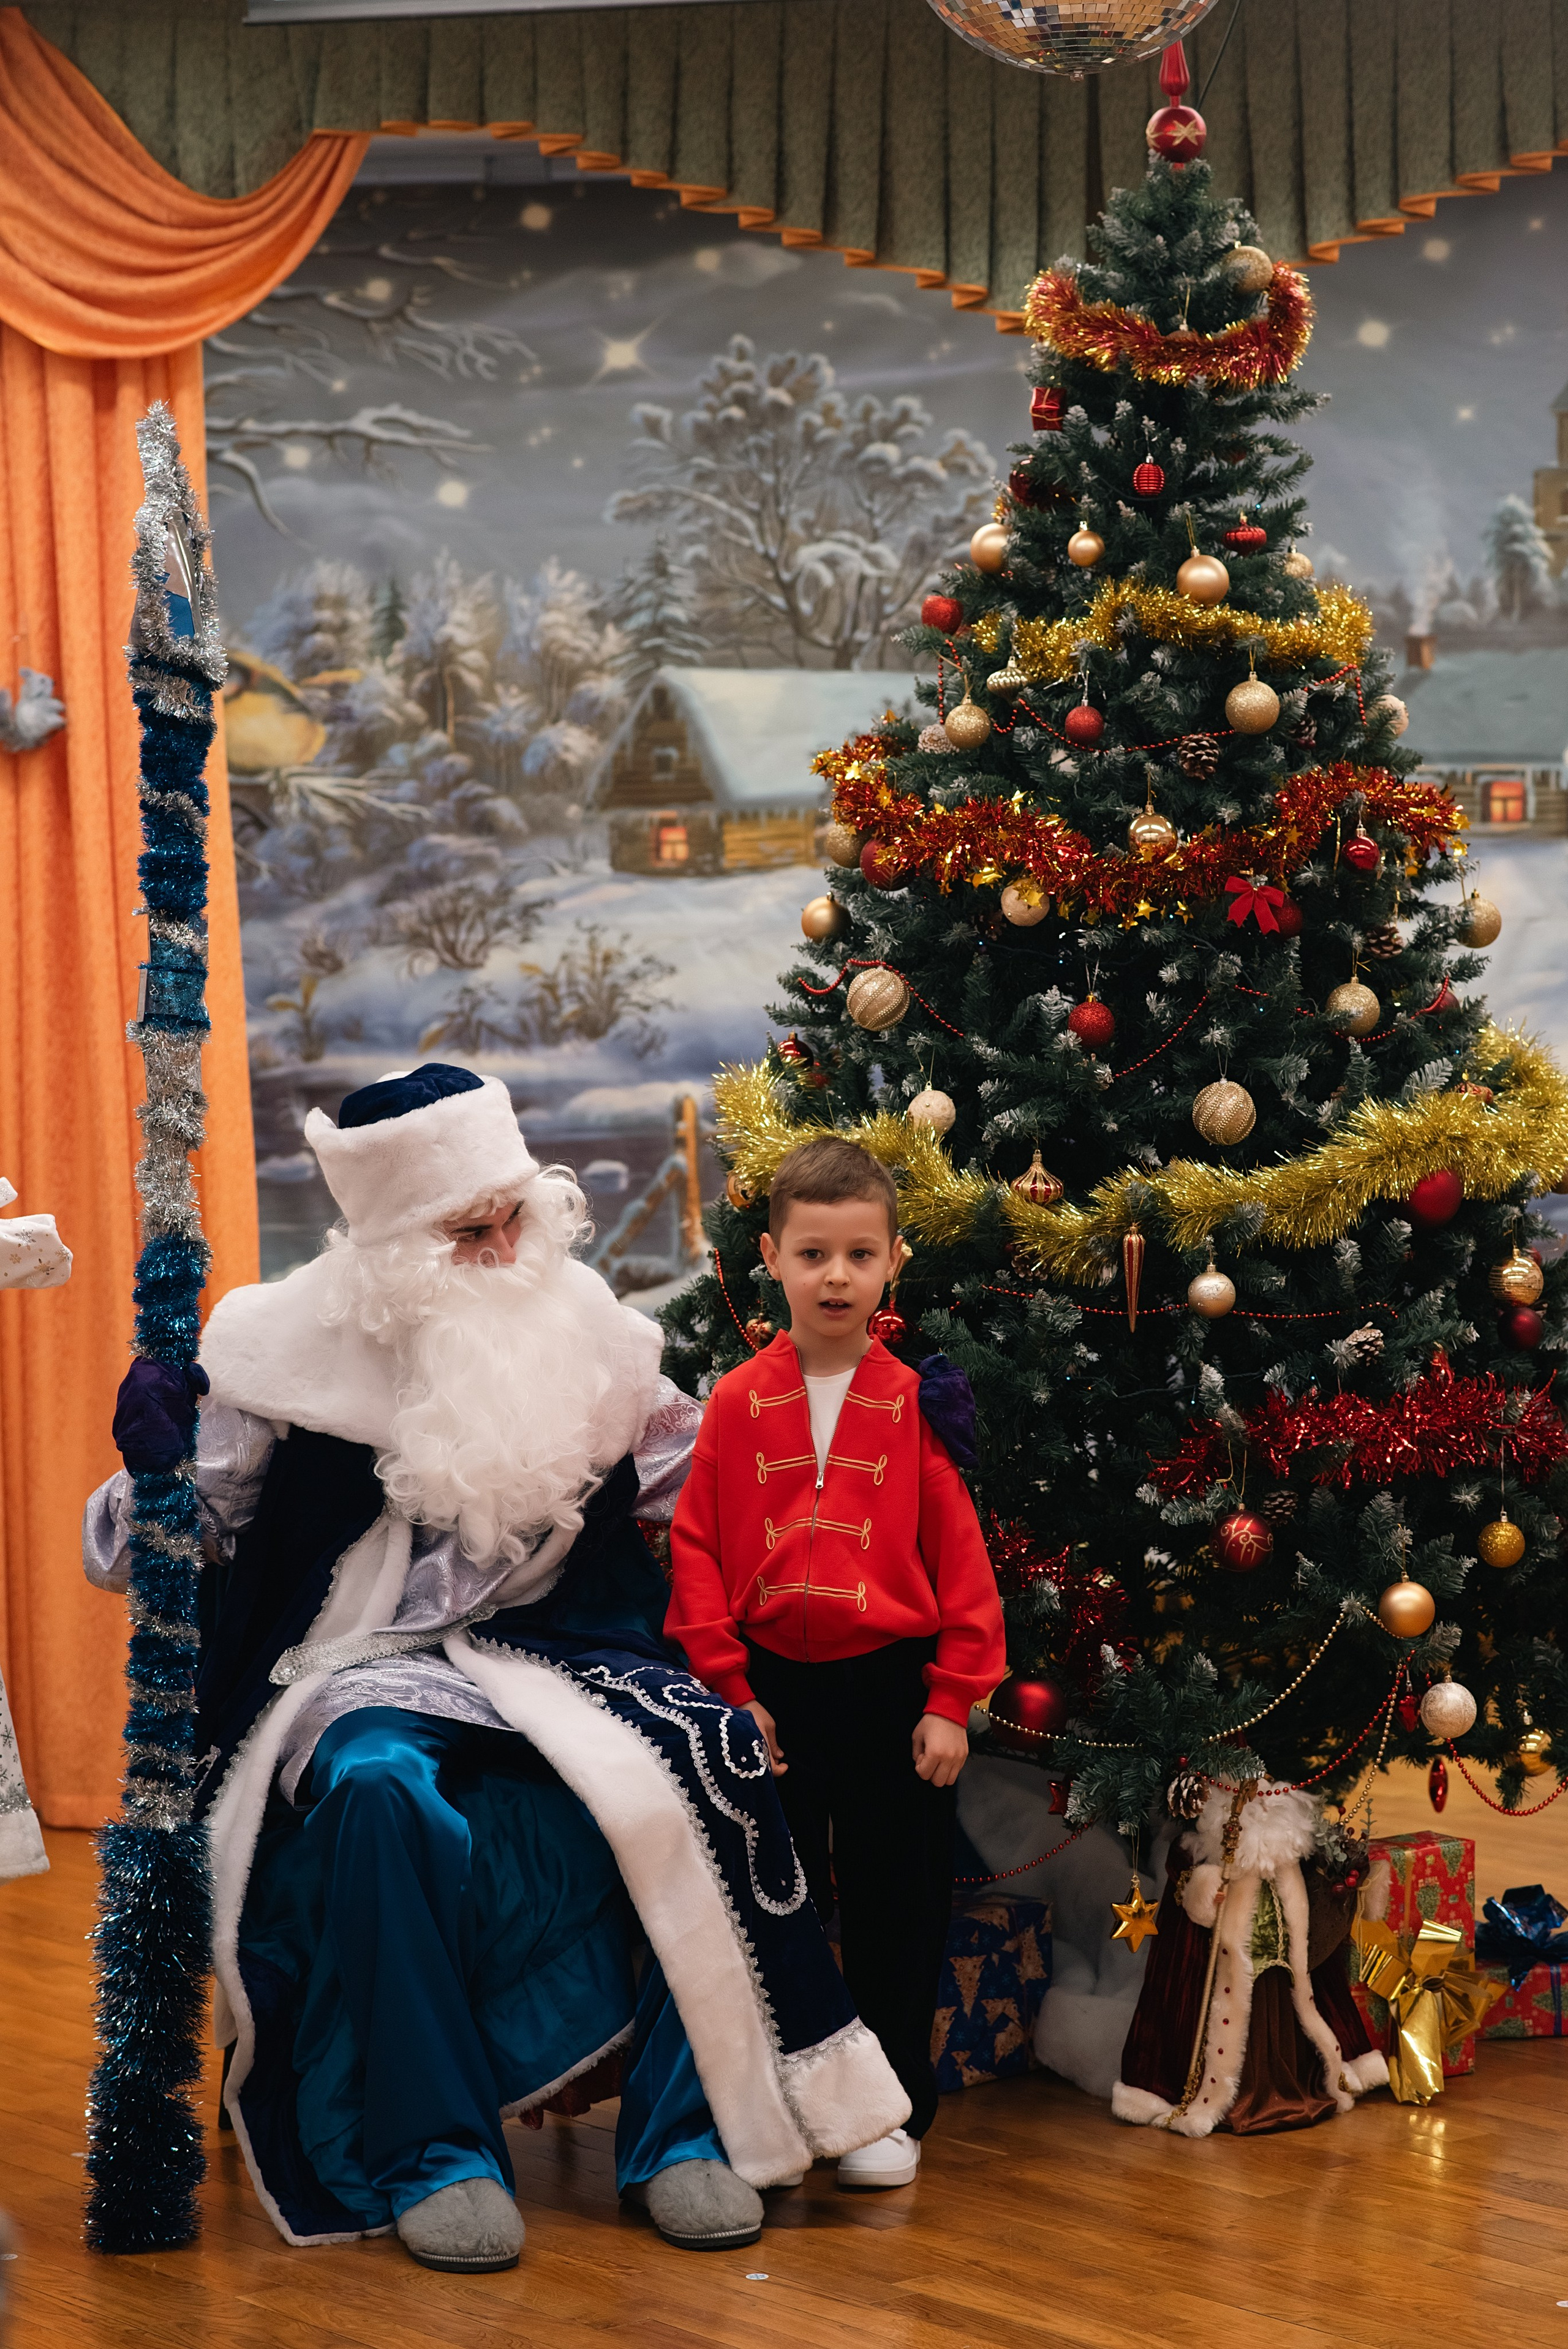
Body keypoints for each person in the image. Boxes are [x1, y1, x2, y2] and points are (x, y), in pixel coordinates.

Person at [84, 1068, 908, 2271]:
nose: (500, 1245)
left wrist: (871, 1433)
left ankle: (685, 2138)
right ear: (392, 1245)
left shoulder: (591, 1334)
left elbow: (722, 1486)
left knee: (710, 1750)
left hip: (554, 1655)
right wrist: (147, 1466)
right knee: (375, 1790)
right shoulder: (276, 1350)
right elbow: (130, 1555)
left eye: (510, 1215)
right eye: (466, 1230)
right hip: (353, 1665)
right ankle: (438, 2152)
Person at [668, 1136, 1006, 2189]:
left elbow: (963, 1564)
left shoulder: (917, 1403)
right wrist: (731, 1691)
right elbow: (696, 1552)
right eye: (814, 1254)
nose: (837, 1276)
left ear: (894, 1260)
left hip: (893, 1691)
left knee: (898, 1906)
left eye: (860, 1255)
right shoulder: (733, 1403)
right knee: (778, 1906)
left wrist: (951, 1701)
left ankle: (889, 2112)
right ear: (771, 1256)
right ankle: (777, 2102)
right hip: (770, 1695)